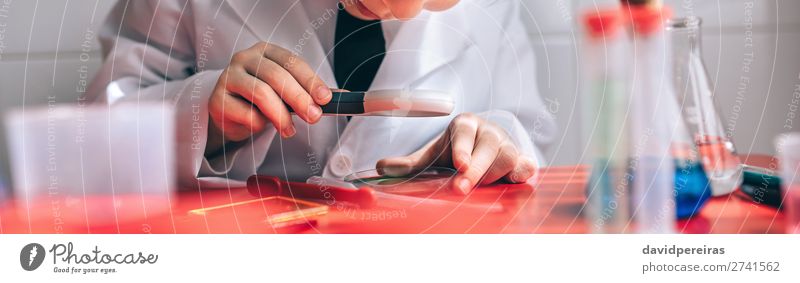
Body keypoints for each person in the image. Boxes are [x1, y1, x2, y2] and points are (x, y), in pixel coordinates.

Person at [86, 0, 556, 194]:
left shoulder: (496, 10)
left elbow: (526, 129)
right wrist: (203, 113)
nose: (394, 6)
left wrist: (493, 143)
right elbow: (94, 135)